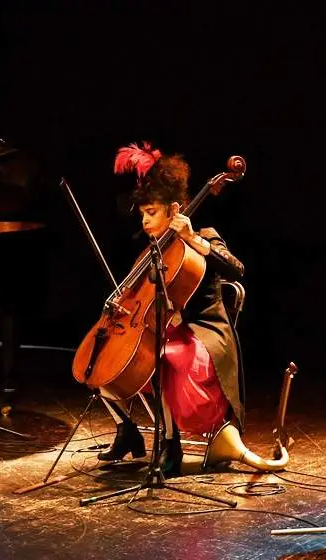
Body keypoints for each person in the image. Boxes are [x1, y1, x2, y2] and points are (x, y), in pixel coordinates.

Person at [97, 142, 246, 477]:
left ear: (175, 209)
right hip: (169, 329)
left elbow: (237, 270)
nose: (145, 221)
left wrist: (195, 240)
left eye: (152, 213)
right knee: (103, 356)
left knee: (157, 357)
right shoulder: (153, 251)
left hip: (206, 333)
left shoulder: (204, 234)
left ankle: (170, 444)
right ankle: (126, 429)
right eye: (143, 214)